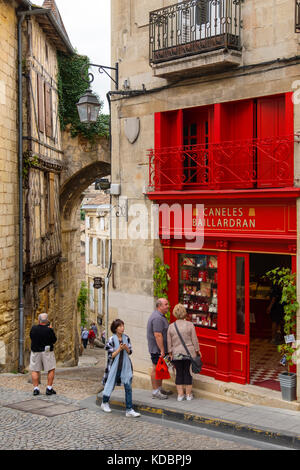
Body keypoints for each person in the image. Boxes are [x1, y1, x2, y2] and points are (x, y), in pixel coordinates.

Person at [100, 319, 141, 418]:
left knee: (128, 387)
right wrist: (119, 348)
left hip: (125, 367)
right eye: (120, 326)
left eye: (123, 326)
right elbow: (111, 355)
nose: (122, 328)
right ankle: (104, 403)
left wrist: (126, 348)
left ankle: (129, 409)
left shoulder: (126, 338)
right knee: (110, 385)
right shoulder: (111, 340)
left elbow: (130, 352)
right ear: (115, 328)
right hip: (114, 367)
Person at [167, 304, 201, 401]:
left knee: (179, 373)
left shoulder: (171, 326)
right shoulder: (190, 325)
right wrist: (197, 350)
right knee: (187, 372)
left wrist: (170, 353)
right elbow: (194, 340)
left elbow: (169, 342)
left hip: (176, 353)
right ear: (185, 313)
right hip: (188, 353)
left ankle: (180, 395)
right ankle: (188, 394)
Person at [147, 298, 173, 400]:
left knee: (161, 368)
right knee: (155, 368)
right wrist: (162, 350)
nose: (168, 306)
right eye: (166, 304)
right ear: (160, 306)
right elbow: (158, 335)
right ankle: (155, 391)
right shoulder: (157, 318)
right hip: (157, 350)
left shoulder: (160, 316)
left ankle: (159, 388)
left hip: (160, 349)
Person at [29, 313, 57, 396]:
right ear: (47, 320)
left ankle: (36, 389)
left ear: (39, 320)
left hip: (35, 351)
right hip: (47, 352)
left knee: (35, 369)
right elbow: (54, 340)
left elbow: (31, 337)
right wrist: (51, 330)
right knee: (51, 368)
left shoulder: (33, 328)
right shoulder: (49, 330)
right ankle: (49, 388)